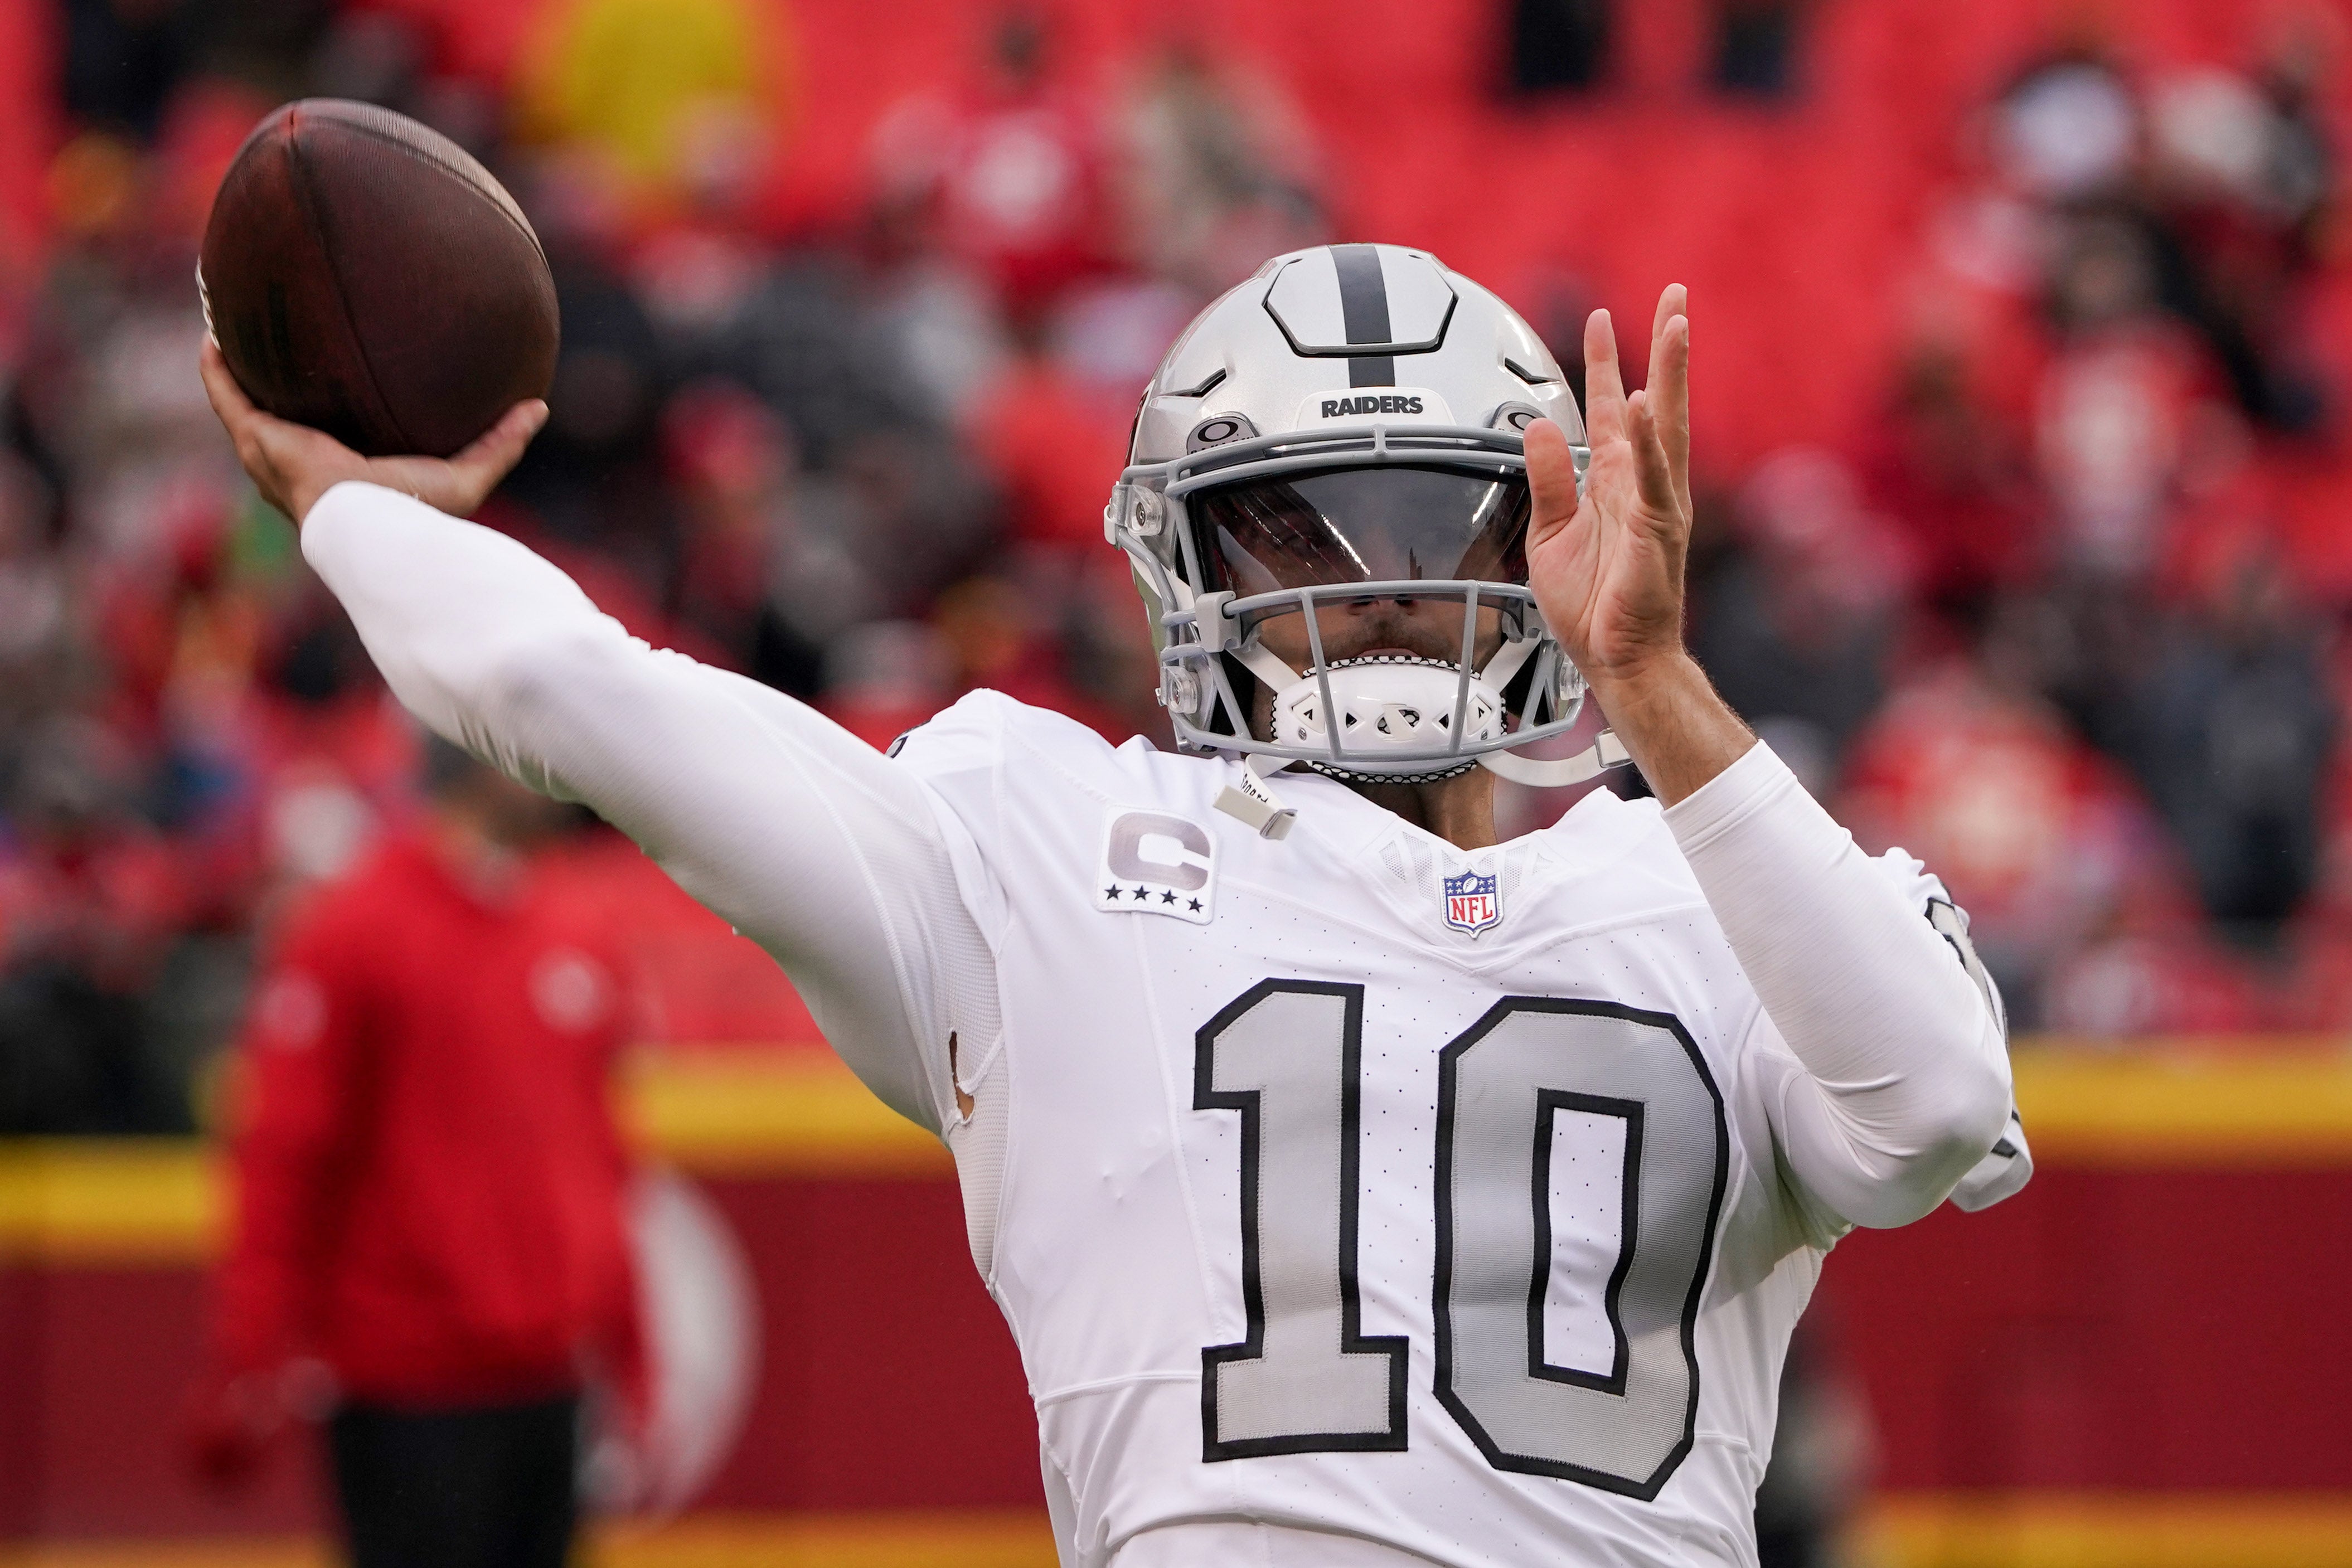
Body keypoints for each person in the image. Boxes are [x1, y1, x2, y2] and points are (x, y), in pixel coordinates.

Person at [201, 243, 2031, 1567]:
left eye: (1433, 525)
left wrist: (1661, 694)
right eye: (1298, 529)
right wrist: (366, 519)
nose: (1378, 588)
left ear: (1552, 547)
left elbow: (1936, 1105)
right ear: (1180, 562)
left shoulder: (1707, 875)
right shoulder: (1042, 846)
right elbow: (574, 689)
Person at [187, 739, 642, 1568]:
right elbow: (287, 1156)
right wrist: (249, 1355)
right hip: (407, 1378)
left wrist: (631, 1356)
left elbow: (602, 1158)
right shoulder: (355, 928)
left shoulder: (575, 926)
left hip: (547, 1375)